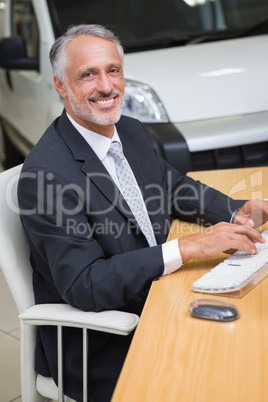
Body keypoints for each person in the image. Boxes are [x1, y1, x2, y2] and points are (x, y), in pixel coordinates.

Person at [17, 24, 268, 402]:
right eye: (88, 74)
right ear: (60, 86)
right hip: (106, 342)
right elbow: (85, 284)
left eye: (113, 70)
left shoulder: (130, 131)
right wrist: (188, 248)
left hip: (162, 297)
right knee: (229, 375)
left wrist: (235, 211)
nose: (106, 86)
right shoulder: (45, 176)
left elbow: (172, 186)